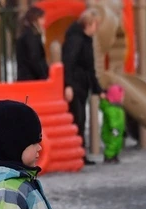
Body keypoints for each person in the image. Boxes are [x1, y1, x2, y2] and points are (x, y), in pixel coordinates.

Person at [61, 9, 104, 164]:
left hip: (82, 84)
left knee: (81, 118)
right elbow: (68, 63)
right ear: (88, 24)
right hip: (75, 84)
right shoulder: (76, 39)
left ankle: (80, 153)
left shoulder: (86, 39)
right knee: (77, 118)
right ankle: (75, 154)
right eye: (95, 25)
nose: (96, 28)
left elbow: (90, 67)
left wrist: (97, 89)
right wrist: (68, 85)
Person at [16, 6, 49, 81]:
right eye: (42, 19)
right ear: (35, 20)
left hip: (27, 77)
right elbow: (35, 58)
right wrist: (44, 76)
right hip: (31, 79)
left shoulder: (27, 34)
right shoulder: (31, 36)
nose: (44, 22)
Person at [100, 84, 125, 163]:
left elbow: (120, 120)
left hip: (118, 130)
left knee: (118, 143)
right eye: (121, 97)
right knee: (112, 143)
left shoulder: (118, 108)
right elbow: (112, 120)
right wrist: (114, 127)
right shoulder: (111, 109)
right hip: (112, 131)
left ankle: (114, 155)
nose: (122, 99)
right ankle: (108, 156)